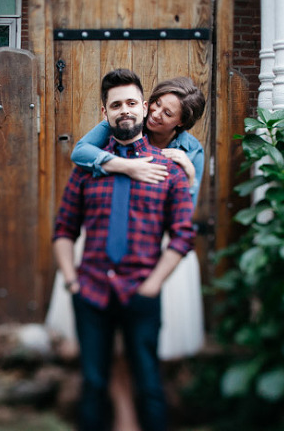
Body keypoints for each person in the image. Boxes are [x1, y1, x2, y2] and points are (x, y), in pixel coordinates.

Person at [45, 76, 206, 430]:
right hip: (91, 290)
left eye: (132, 103)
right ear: (105, 112)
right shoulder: (90, 168)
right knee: (93, 385)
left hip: (143, 286)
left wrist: (152, 286)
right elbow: (64, 229)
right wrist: (72, 282)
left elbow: (182, 232)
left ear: (142, 106)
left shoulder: (176, 164)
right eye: (116, 105)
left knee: (150, 383)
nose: (127, 111)